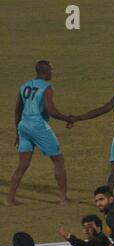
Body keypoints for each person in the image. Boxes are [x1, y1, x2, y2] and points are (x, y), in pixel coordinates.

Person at [5, 60, 74, 206]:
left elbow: (18, 110)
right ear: (45, 72)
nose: (52, 73)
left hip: (24, 125)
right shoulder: (47, 87)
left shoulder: (24, 86)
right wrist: (67, 118)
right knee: (58, 160)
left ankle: (10, 199)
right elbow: (51, 110)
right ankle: (63, 198)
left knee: (22, 164)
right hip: (38, 126)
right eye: (51, 70)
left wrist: (18, 133)